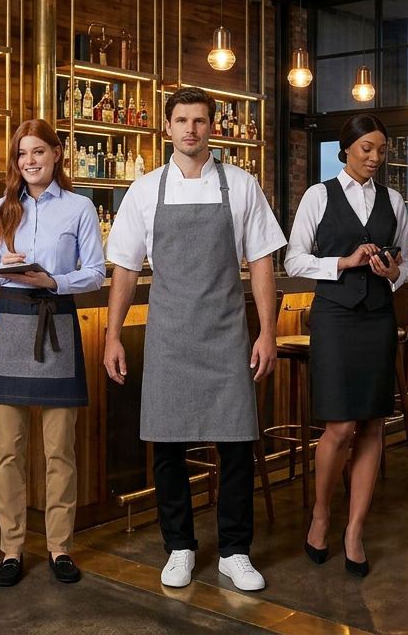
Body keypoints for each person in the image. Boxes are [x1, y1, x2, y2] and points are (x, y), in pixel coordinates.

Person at [102, 86, 286, 593]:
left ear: (212, 127)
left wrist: (267, 332)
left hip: (228, 332)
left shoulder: (243, 186)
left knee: (236, 444)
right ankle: (179, 546)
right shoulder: (143, 191)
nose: (191, 129)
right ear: (167, 129)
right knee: (168, 445)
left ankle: (234, 550)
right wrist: (113, 335)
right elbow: (124, 266)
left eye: (200, 121)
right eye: (181, 120)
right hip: (168, 334)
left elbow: (263, 262)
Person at [0, 119, 105, 588]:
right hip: (11, 322)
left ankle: (59, 548)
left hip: (57, 322)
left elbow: (95, 273)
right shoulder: (2, 208)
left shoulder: (79, 208)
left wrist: (53, 280)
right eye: (22, 154)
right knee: (7, 451)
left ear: (57, 153)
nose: (30, 161)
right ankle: (11, 549)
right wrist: (6, 268)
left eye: (38, 152)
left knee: (59, 450)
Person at [284, 113, 408, 578]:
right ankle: (322, 513)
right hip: (335, 317)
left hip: (378, 318)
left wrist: (392, 273)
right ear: (346, 150)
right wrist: (343, 261)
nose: (375, 158)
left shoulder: (394, 200)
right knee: (339, 427)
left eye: (381, 150)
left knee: (374, 425)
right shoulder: (319, 196)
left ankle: (354, 530)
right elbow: (294, 260)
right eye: (366, 149)